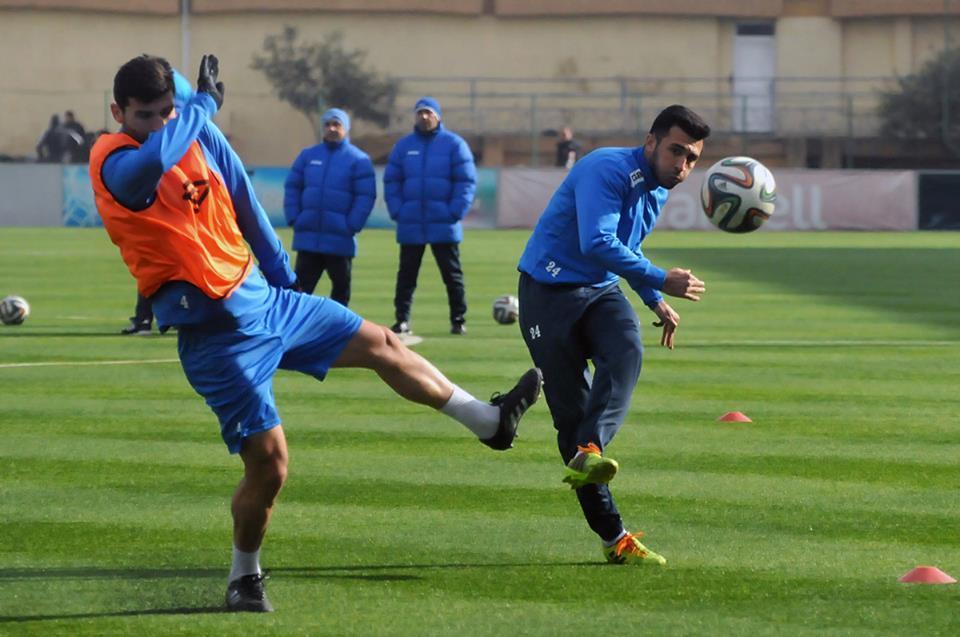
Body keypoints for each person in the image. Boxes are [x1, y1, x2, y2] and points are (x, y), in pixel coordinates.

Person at [89, 54, 542, 613]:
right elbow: (152, 162)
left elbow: (246, 204)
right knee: (270, 464)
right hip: (217, 337)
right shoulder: (113, 159)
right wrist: (200, 106)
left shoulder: (196, 132)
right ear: (118, 113)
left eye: (167, 111)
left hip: (269, 302)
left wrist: (285, 278)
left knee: (384, 343)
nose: (160, 122)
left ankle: (490, 422)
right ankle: (244, 576)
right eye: (145, 115)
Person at [516, 104, 709, 567]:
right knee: (571, 415)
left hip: (599, 290)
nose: (682, 165)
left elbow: (628, 247)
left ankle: (591, 448)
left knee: (626, 349)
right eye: (676, 151)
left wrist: (652, 299)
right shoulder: (606, 168)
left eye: (692, 158)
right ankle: (613, 536)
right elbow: (598, 242)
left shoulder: (656, 189)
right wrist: (661, 279)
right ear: (650, 143)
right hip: (547, 292)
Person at [384, 96, 476, 336]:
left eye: (429, 113)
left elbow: (466, 181)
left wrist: (454, 212)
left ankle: (458, 319)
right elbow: (392, 181)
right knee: (406, 276)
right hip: (411, 222)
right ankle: (402, 320)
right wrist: (398, 211)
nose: (424, 117)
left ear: (438, 116)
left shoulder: (454, 144)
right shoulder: (404, 147)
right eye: (420, 113)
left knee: (452, 274)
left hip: (443, 222)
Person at [283, 108, 375, 306]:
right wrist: (295, 218)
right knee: (299, 294)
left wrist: (351, 225)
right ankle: (300, 326)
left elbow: (365, 196)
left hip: (339, 239)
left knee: (341, 294)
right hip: (308, 239)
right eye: (328, 124)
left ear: (346, 128)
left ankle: (338, 327)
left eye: (337, 124)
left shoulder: (358, 160)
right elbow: (293, 187)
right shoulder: (308, 156)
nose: (332, 128)